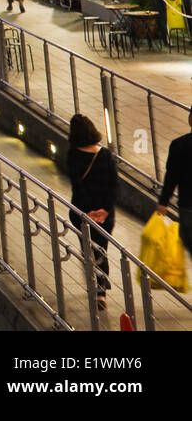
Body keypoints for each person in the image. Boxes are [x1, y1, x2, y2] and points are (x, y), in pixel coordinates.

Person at [67, 114, 118, 310]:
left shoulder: (73, 155)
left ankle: (96, 287)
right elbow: (113, 186)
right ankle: (101, 293)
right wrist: (104, 210)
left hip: (81, 212)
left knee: (88, 249)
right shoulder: (105, 155)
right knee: (101, 250)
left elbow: (77, 186)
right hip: (106, 215)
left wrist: (88, 212)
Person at [156, 106, 192, 261]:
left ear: (190, 120)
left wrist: (163, 202)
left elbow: (172, 176)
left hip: (188, 206)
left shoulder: (180, 145)